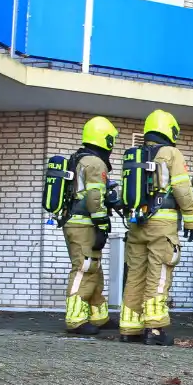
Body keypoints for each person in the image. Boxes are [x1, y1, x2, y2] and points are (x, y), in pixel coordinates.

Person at [117, 110, 193, 345]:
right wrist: (192, 219)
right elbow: (182, 189)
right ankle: (154, 329)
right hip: (161, 224)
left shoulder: (135, 154)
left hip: (136, 223)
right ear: (170, 130)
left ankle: (129, 327)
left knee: (135, 274)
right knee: (160, 273)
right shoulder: (171, 153)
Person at [63, 116, 119, 335]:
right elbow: (95, 195)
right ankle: (75, 319)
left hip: (77, 223)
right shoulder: (95, 162)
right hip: (85, 224)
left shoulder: (78, 158)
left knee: (94, 269)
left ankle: (99, 316)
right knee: (84, 268)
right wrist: (102, 223)